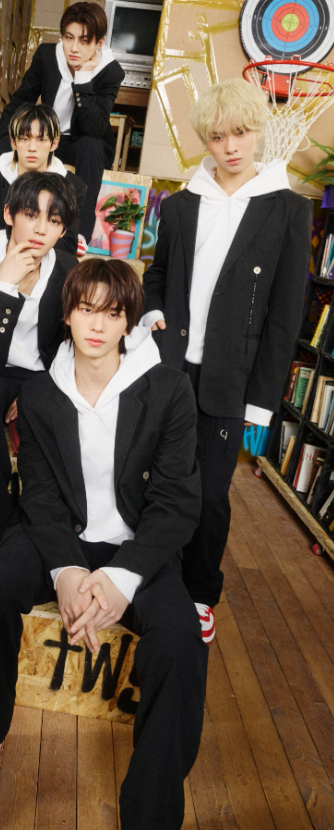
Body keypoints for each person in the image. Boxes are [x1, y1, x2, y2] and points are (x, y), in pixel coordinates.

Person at [0, 258, 207, 830]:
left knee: (182, 640)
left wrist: (120, 580)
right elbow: (40, 495)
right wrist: (67, 572)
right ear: (68, 315)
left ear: (128, 321)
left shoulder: (169, 389)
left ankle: (152, 812)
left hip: (137, 548)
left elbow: (177, 502)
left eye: (112, 313)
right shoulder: (39, 394)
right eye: (85, 309)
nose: (97, 325)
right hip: (59, 535)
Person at [142, 78, 312, 640]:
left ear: (258, 130)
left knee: (211, 493)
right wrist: (152, 313)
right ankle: (154, 576)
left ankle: (198, 590)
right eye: (218, 137)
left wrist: (261, 401)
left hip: (231, 377)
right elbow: (158, 274)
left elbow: (285, 315)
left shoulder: (288, 209)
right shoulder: (181, 204)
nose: (231, 146)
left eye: (241, 132)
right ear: (206, 141)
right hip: (171, 367)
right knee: (159, 479)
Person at [0, 170, 78, 584]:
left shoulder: (66, 269)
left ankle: (59, 529)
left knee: (60, 407)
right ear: (8, 214)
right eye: (31, 214)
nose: (41, 229)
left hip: (43, 377)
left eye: (53, 220)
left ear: (62, 230)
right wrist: (3, 285)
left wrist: (39, 389)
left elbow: (71, 344)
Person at [0, 2, 124, 243]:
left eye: (84, 41)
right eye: (69, 38)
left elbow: (94, 127)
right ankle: (2, 226)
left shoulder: (111, 71)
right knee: (2, 147)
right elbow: (22, 100)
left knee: (91, 146)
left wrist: (83, 79)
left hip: (81, 142)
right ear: (62, 36)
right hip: (46, 138)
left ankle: (78, 234)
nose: (74, 48)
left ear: (99, 43)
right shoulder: (47, 56)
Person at [0, 103, 86, 255]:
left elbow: (67, 243)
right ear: (13, 142)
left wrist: (29, 256)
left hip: (43, 261)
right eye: (24, 139)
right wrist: (10, 256)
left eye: (41, 140)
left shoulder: (73, 186)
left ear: (54, 143)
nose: (32, 148)